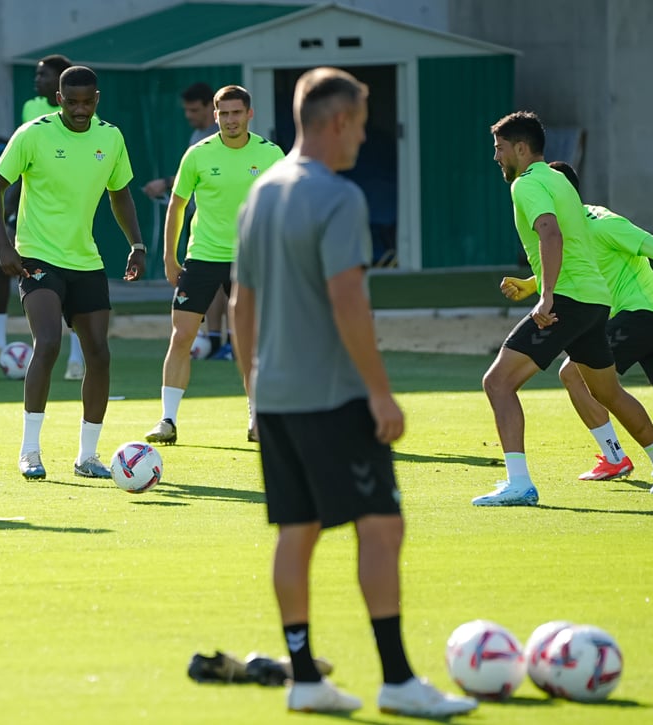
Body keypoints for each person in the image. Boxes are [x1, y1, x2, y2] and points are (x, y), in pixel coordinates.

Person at [230, 66, 476, 717]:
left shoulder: (261, 191)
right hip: (332, 395)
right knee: (382, 526)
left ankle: (305, 676)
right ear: (337, 122)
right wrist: (381, 393)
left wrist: (254, 391)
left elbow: (239, 305)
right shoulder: (339, 198)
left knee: (297, 529)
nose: (363, 140)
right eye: (362, 126)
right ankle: (397, 679)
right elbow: (348, 300)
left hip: (277, 396)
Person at [477, 111, 653, 506]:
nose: (496, 157)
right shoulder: (560, 180)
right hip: (595, 300)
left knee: (498, 383)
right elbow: (574, 243)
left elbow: (550, 233)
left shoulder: (526, 184)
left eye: (499, 149)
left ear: (521, 149)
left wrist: (546, 295)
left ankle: (519, 484)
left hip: (568, 299)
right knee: (608, 391)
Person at [501, 161, 653, 489]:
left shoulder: (601, 223)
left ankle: (614, 457)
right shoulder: (572, 229)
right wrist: (530, 284)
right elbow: (577, 267)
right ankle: (624, 458)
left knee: (572, 373)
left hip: (644, 316)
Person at [0, 65, 147, 480]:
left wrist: (137, 244)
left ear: (97, 99)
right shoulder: (33, 134)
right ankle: (30, 452)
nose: (79, 109)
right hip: (37, 255)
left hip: (86, 260)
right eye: (71, 101)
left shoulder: (110, 138)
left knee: (99, 354)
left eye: (86, 101)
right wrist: (5, 244)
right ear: (59, 99)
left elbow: (121, 193)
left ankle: (87, 457)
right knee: (50, 343)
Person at [144, 85, 283, 446]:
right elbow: (176, 206)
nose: (231, 120)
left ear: (250, 114)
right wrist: (169, 257)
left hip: (252, 260)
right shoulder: (198, 154)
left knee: (250, 342)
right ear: (215, 115)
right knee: (182, 336)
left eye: (237, 112)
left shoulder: (271, 155)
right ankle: (167, 420)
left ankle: (257, 420)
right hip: (203, 256)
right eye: (224, 113)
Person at [0, 54, 86, 382]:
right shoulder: (32, 109)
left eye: (43, 75)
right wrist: (12, 204)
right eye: (36, 74)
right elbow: (24, 164)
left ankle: (76, 358)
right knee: (0, 262)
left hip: (66, 212)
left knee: (71, 280)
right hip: (29, 208)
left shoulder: (79, 114)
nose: (37, 81)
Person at [144, 82, 232, 360]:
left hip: (226, 224)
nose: (189, 115)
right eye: (186, 110)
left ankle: (234, 340)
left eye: (194, 109)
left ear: (211, 108)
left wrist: (164, 182)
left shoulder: (223, 137)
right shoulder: (197, 136)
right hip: (200, 220)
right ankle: (216, 338)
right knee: (215, 284)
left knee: (236, 288)